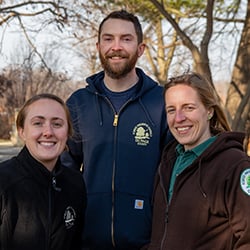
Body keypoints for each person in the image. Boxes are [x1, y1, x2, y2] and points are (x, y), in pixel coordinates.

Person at [61, 9, 172, 250]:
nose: (116, 46)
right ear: (98, 45)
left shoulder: (161, 102)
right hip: (87, 242)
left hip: (147, 241)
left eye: (126, 39)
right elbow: (63, 168)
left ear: (140, 49)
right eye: (109, 39)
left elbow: (175, 171)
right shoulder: (79, 103)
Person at [145, 72, 250, 250]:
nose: (178, 119)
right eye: (172, 110)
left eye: (188, 108)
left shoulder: (234, 165)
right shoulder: (167, 164)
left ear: (209, 111)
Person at [0, 93, 87, 250]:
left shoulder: (76, 184)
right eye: (38, 123)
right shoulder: (4, 181)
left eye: (57, 124)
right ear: (22, 131)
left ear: (67, 133)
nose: (48, 132)